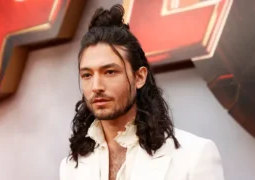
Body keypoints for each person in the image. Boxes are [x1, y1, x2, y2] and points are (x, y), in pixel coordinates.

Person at [60, 4, 224, 180]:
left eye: (110, 72)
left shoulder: (195, 156)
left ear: (139, 77)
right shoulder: (71, 166)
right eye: (87, 75)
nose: (96, 86)